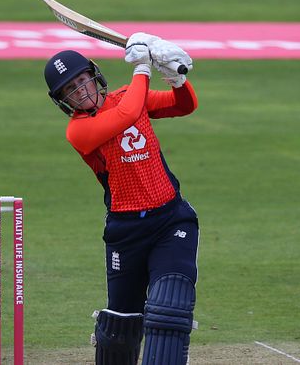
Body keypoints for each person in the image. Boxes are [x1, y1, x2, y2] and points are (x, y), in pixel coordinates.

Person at [43, 33, 200, 365]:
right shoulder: (79, 131)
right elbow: (126, 116)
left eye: (83, 80)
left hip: (170, 220)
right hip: (125, 232)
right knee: (120, 328)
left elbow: (184, 105)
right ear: (62, 100)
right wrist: (143, 67)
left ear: (95, 75)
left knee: (169, 306)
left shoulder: (129, 95)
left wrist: (176, 78)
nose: (81, 91)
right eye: (71, 89)